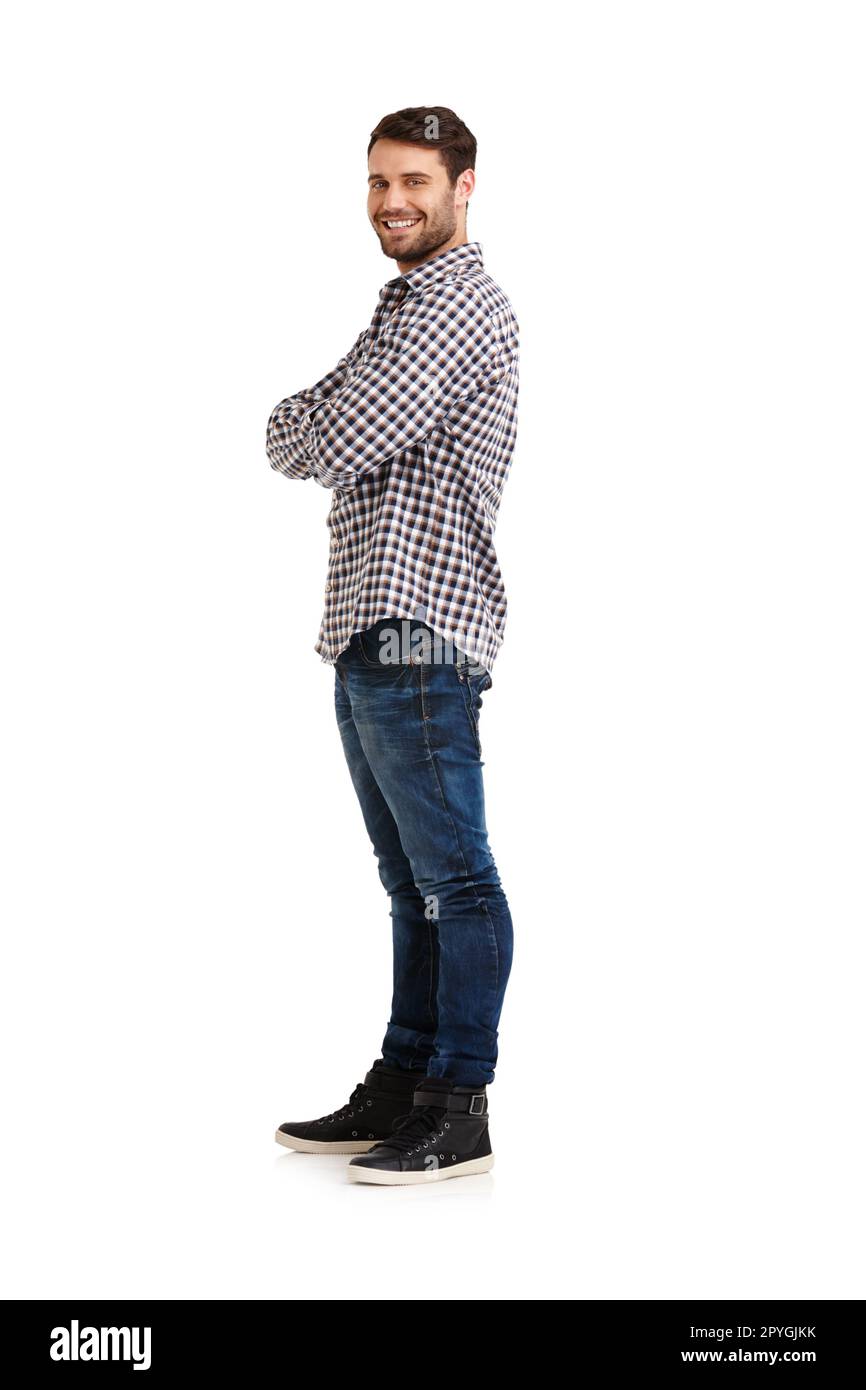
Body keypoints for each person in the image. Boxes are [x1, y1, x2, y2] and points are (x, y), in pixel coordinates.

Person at [265, 106, 519, 1184]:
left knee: (453, 881)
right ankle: (405, 1079)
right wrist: (311, 419)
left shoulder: (457, 307)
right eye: (377, 181)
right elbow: (291, 430)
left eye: (413, 180)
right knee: (407, 880)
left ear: (464, 186)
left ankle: (459, 1103)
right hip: (371, 628)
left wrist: (313, 419)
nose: (391, 201)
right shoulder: (404, 306)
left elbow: (336, 431)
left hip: (421, 629)